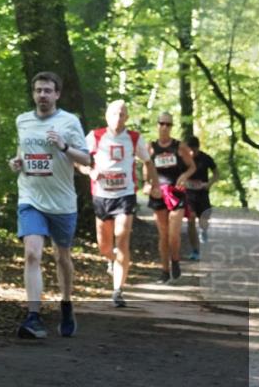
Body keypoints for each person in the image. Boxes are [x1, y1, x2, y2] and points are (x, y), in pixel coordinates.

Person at [9, 71, 90, 338]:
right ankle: (33, 316)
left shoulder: (69, 121)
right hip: (30, 197)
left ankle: (66, 302)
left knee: (61, 257)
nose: (42, 95)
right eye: (38, 90)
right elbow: (22, 152)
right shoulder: (22, 120)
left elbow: (86, 160)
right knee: (32, 253)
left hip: (62, 202)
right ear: (33, 94)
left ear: (57, 94)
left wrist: (64, 147)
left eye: (47, 91)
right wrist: (17, 162)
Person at [76, 100, 158, 307]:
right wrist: (89, 171)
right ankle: (111, 259)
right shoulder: (95, 136)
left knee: (122, 239)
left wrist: (151, 183)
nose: (118, 118)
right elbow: (78, 160)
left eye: (122, 114)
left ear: (127, 117)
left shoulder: (134, 138)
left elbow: (148, 162)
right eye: (114, 113)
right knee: (104, 247)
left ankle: (117, 291)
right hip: (102, 196)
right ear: (107, 116)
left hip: (125, 195)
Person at [147, 113, 196, 284]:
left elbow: (192, 167)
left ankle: (175, 259)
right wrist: (148, 185)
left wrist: (184, 176)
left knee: (173, 234)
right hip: (159, 193)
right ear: (157, 125)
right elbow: (147, 169)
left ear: (172, 126)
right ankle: (164, 271)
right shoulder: (151, 147)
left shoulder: (179, 147)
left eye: (168, 124)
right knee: (163, 235)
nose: (165, 127)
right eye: (162, 123)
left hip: (176, 193)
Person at [184, 135, 219, 253]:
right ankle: (194, 250)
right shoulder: (183, 159)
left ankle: (203, 231)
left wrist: (209, 184)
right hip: (188, 194)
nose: (192, 153)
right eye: (189, 150)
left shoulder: (206, 158)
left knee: (204, 218)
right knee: (191, 219)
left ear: (198, 148)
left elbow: (216, 173)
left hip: (202, 193)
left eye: (194, 150)